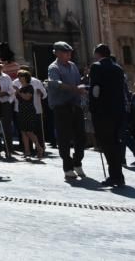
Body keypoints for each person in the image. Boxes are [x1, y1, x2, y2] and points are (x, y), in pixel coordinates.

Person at [46, 41, 88, 180]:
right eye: (65, 52)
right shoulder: (54, 67)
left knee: (80, 137)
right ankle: (68, 167)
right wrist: (74, 89)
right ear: (57, 53)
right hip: (61, 107)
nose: (68, 54)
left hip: (75, 105)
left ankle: (77, 162)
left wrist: (83, 86)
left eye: (69, 52)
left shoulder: (73, 66)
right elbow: (55, 84)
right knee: (64, 138)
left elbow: (77, 82)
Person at [89, 44, 127, 187]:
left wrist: (92, 106)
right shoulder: (118, 68)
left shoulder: (96, 67)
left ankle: (114, 176)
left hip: (102, 112)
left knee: (106, 144)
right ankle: (118, 175)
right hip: (118, 111)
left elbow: (96, 89)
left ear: (98, 54)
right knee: (116, 143)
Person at [13, 70, 45, 159]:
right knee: (23, 131)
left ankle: (39, 147)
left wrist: (17, 91)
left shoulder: (30, 87)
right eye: (18, 76)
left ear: (26, 77)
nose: (19, 78)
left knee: (29, 131)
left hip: (29, 110)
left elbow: (27, 97)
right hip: (21, 110)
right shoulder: (20, 87)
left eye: (21, 76)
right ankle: (27, 151)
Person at [0, 57, 15, 159]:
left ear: (1, 67)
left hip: (5, 103)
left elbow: (12, 91)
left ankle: (8, 149)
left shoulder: (7, 77)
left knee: (7, 127)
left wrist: (5, 93)